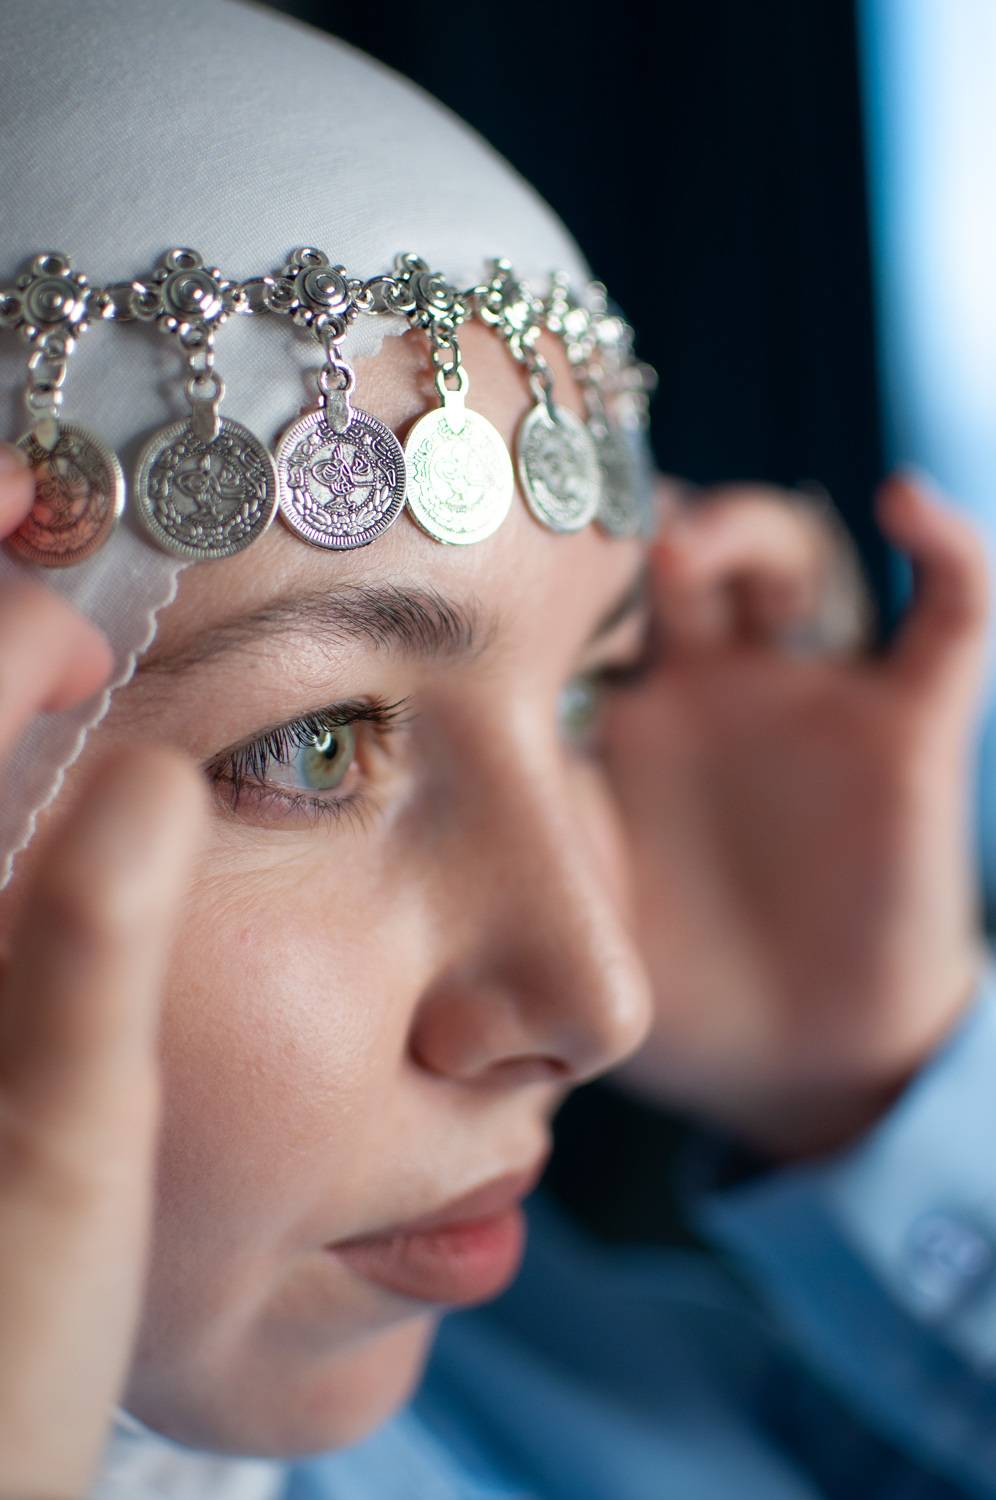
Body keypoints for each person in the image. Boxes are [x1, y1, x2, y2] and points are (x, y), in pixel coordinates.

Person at [0, 6, 989, 1500]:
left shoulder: (589, 1413)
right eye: (317, 746)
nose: (600, 1000)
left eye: (587, 701)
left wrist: (879, 1072)